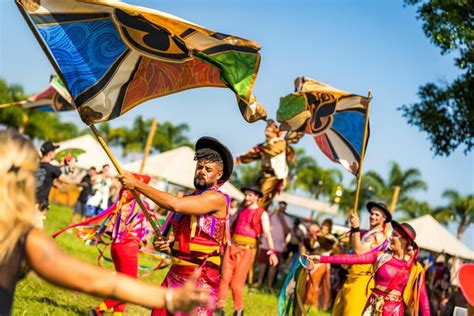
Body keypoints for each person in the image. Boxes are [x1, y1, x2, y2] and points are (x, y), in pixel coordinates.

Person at [0, 130, 208, 316]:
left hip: (120, 244)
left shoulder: (23, 235)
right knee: (130, 278)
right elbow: (90, 280)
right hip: (125, 246)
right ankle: (102, 311)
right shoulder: (22, 236)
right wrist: (169, 298)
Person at [118, 136, 234, 316]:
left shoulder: (216, 199)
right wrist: (167, 245)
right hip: (175, 273)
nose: (201, 171)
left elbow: (175, 204)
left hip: (199, 279)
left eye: (208, 169)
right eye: (199, 167)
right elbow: (181, 240)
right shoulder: (190, 198)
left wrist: (137, 184)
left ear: (219, 175)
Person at [306, 221, 430, 315]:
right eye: (392, 234)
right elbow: (352, 259)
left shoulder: (415, 268)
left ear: (404, 240)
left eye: (395, 235)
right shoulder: (381, 256)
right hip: (371, 304)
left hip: (393, 311)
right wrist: (320, 259)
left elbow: (423, 299)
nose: (390, 238)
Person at [91, 174, 154, 316]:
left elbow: (110, 223)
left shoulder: (122, 202)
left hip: (117, 246)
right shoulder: (143, 204)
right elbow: (148, 226)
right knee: (130, 284)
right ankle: (99, 309)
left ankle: (118, 313)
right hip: (128, 246)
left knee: (123, 281)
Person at [215, 186, 278, 316]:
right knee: (224, 278)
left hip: (247, 250)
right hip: (232, 246)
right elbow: (229, 225)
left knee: (237, 283)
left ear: (257, 197)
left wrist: (272, 252)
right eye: (246, 195)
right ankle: (219, 308)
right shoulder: (240, 210)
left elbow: (267, 234)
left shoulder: (262, 213)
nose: (247, 197)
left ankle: (239, 310)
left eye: (250, 195)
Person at [331, 201, 392, 316]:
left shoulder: (379, 236)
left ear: (384, 218)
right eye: (372, 213)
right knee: (338, 311)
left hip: (362, 281)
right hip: (351, 276)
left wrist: (355, 228)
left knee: (351, 313)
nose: (372, 216)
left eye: (377, 215)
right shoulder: (367, 233)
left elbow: (359, 251)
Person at [236, 120, 288, 210]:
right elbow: (254, 155)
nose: (266, 132)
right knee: (250, 195)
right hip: (263, 175)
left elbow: (272, 150)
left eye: (269, 130)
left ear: (275, 131)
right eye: (266, 129)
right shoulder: (264, 145)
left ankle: (256, 220)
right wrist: (239, 159)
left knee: (261, 200)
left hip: (274, 177)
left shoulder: (280, 142)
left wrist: (258, 149)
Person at [254, 201, 291, 290]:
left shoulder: (287, 218)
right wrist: (274, 213)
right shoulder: (271, 214)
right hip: (266, 243)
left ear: (285, 208)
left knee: (273, 266)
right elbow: (263, 223)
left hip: (278, 246)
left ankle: (269, 285)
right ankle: (259, 282)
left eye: (283, 207)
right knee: (263, 263)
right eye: (280, 206)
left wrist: (282, 219)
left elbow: (287, 231)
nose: (281, 208)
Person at [35, 140, 74, 215]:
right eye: (54, 151)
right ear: (50, 153)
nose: (55, 153)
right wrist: (71, 168)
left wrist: (60, 165)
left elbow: (47, 170)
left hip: (28, 201)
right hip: (38, 204)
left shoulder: (36, 165)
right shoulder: (52, 169)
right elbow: (69, 181)